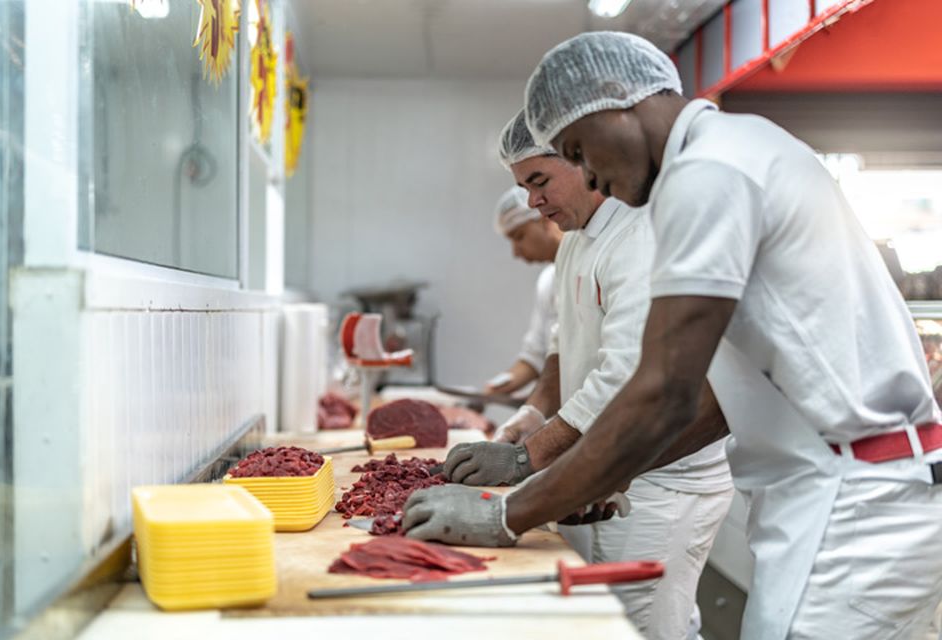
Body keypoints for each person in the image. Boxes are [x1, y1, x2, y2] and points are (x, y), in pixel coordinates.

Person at [403, 32, 942, 640]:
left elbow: (664, 391)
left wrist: (508, 513)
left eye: (578, 150)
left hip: (860, 502)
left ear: (616, 101)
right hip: (837, 492)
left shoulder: (710, 170)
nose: (589, 176)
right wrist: (603, 474)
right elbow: (719, 399)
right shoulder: (732, 153)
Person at [444, 109, 734, 639]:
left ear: (582, 159)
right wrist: (534, 414)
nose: (532, 202)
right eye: (523, 186)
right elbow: (562, 347)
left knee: (642, 626)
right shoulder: (575, 241)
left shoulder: (640, 237)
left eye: (539, 181)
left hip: (660, 481)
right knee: (597, 622)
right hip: (604, 466)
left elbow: (624, 374)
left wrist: (528, 457)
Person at [484, 187, 562, 412]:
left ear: (546, 219)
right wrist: (491, 391)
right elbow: (534, 357)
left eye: (519, 237)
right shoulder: (548, 281)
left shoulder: (590, 270)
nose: (516, 252)